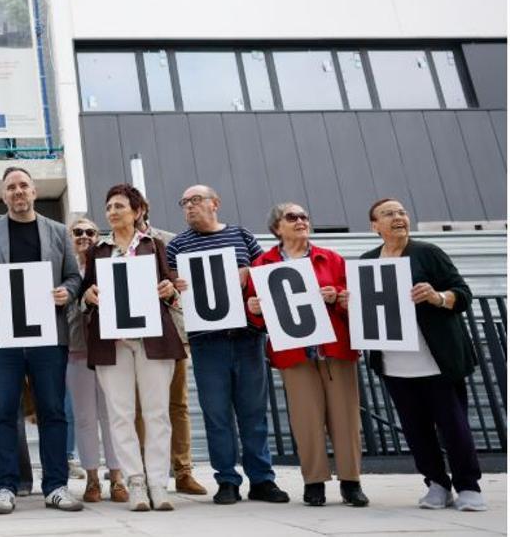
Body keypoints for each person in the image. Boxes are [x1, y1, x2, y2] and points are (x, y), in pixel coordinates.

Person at [0, 167, 84, 514]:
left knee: (52, 410)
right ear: (4, 196)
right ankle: (5, 486)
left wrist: (67, 291)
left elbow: (73, 276)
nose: (18, 192)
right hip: (1, 335)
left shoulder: (58, 231)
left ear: (33, 191)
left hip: (48, 334)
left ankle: (56, 486)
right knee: (3, 411)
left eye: (23, 186)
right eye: (11, 187)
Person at [165, 185, 288, 505]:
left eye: (196, 200)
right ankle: (227, 480)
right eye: (184, 202)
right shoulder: (176, 245)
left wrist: (248, 273)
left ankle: (262, 479)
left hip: (247, 338)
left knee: (253, 413)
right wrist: (175, 286)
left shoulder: (242, 236)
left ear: (214, 203)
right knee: (216, 414)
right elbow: (171, 293)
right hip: (207, 343)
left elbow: (266, 274)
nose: (189, 207)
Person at [363, 198, 485, 511]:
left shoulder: (427, 253)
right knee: (416, 430)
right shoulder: (367, 262)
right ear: (375, 226)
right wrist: (352, 304)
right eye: (388, 214)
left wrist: (437, 296)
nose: (398, 217)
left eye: (402, 212)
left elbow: (463, 293)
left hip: (436, 361)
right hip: (394, 363)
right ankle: (436, 483)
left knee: (454, 426)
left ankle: (468, 486)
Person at [244, 202, 368, 508]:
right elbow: (257, 317)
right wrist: (255, 311)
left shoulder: (332, 258)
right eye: (292, 217)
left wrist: (339, 297)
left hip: (336, 349)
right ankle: (314, 482)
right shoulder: (263, 264)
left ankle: (351, 482)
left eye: (304, 217)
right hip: (295, 354)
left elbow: (353, 299)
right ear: (277, 228)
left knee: (346, 418)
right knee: (305, 420)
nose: (300, 221)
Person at [82, 185, 186, 511]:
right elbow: (86, 293)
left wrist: (168, 289)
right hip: (112, 342)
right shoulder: (97, 251)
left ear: (137, 211)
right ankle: (135, 483)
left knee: (157, 412)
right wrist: (88, 297)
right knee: (120, 414)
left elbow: (171, 289)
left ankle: (158, 482)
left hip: (153, 339)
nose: (112, 211)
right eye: (109, 206)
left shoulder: (154, 246)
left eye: (120, 206)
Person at [136, 199, 206, 496]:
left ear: (140, 209)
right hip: (135, 334)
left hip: (171, 330)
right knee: (139, 406)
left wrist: (174, 285)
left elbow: (189, 282)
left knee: (177, 404)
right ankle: (145, 473)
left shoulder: (170, 241)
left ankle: (183, 470)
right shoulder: (111, 247)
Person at [64, 216, 122, 503]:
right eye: (78, 232)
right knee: (85, 418)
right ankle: (92, 479)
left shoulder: (109, 265)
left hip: (110, 349)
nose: (84, 236)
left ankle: (118, 478)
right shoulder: (62, 270)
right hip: (76, 350)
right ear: (69, 236)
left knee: (113, 417)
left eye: (90, 232)